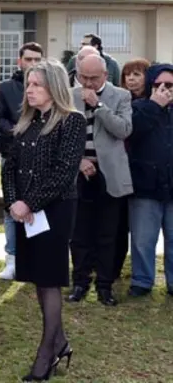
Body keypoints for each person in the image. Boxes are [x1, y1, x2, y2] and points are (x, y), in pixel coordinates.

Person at [1, 59, 86, 381]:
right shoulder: (27, 123)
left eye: (37, 84)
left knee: (50, 279)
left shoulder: (71, 121)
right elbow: (9, 168)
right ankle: (61, 341)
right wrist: (13, 203)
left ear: (54, 87)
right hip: (26, 213)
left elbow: (64, 173)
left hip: (54, 210)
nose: (30, 90)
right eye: (28, 84)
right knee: (39, 277)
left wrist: (29, 203)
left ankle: (47, 353)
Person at [66, 54, 133, 306]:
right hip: (78, 173)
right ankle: (80, 282)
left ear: (105, 75)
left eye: (94, 78)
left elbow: (123, 130)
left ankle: (105, 285)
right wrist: (78, 160)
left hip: (110, 175)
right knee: (79, 233)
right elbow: (61, 135)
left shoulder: (121, 96)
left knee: (108, 233)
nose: (88, 82)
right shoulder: (69, 95)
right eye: (83, 76)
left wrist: (98, 106)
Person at [0, 42, 44, 280]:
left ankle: (34, 257)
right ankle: (12, 258)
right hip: (12, 155)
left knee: (38, 205)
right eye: (29, 59)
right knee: (12, 207)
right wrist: (17, 131)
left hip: (41, 157)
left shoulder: (48, 87)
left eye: (37, 59)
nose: (33, 64)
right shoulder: (6, 88)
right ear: (19, 61)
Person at [126, 63, 173, 297]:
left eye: (170, 85)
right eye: (158, 85)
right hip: (145, 186)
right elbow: (132, 132)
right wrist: (155, 106)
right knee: (143, 240)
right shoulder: (138, 107)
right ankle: (142, 281)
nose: (164, 89)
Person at [114, 58, 150, 281]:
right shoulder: (119, 100)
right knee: (117, 224)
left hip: (142, 172)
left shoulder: (154, 104)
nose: (131, 79)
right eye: (127, 75)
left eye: (137, 74)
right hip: (121, 168)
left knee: (140, 229)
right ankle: (113, 266)